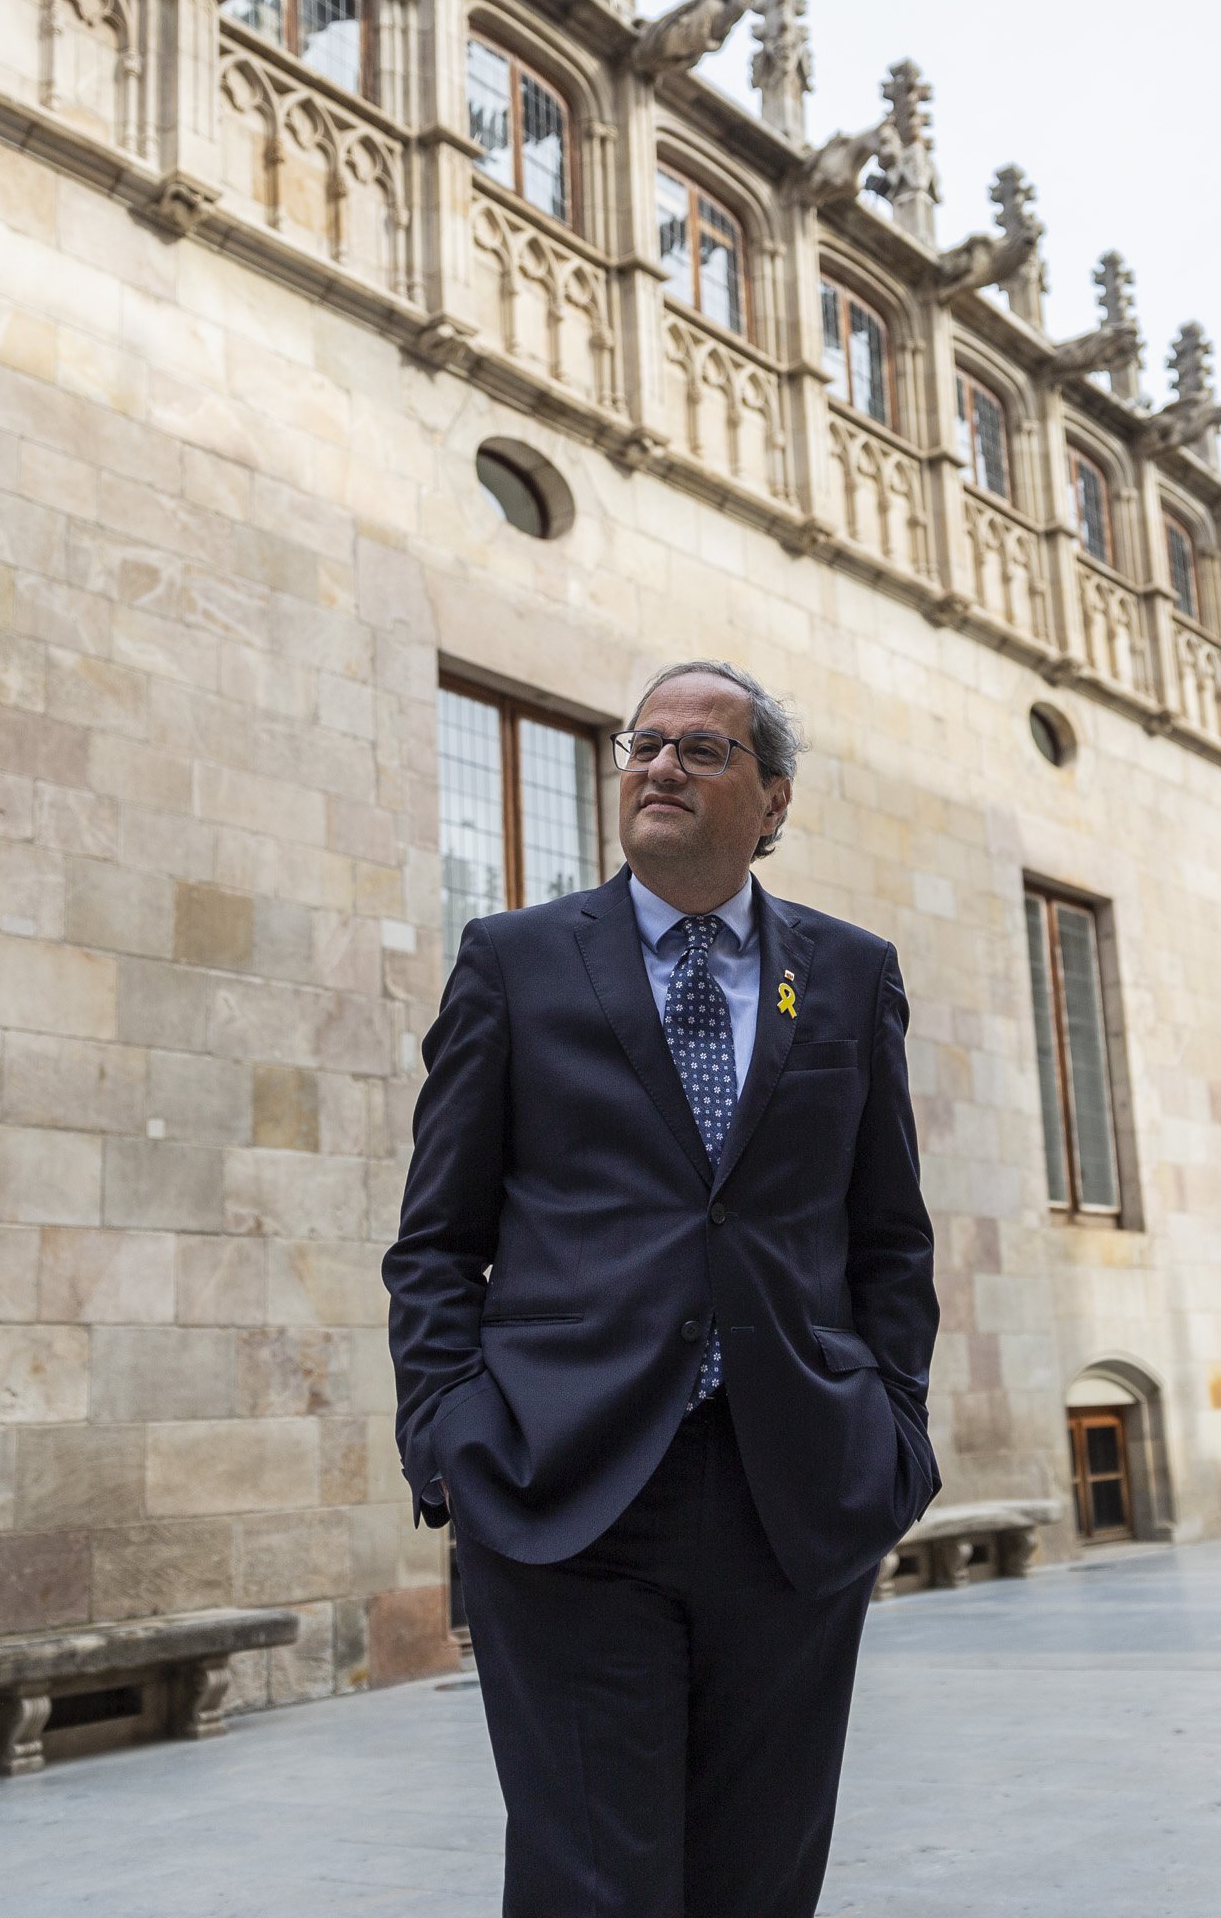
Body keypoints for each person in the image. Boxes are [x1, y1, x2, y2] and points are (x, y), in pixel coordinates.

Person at [386, 660, 940, 1917]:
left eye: (703, 748)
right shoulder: (515, 962)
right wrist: (448, 1436)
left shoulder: (848, 975)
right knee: (595, 1882)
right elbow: (435, 1239)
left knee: (760, 1877)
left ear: (773, 797)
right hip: (561, 1483)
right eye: (644, 743)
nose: (660, 765)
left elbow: (887, 1235)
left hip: (791, 1488)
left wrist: (891, 1429)